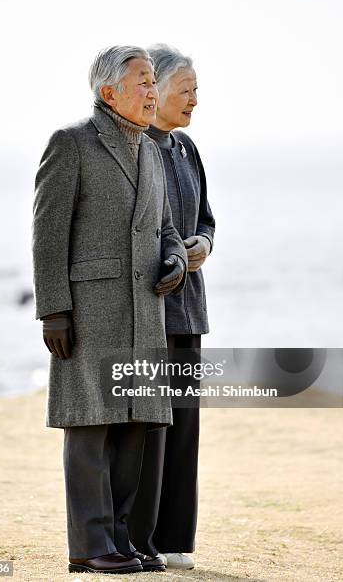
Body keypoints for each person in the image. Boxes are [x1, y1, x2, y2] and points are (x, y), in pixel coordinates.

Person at [31, 45, 188, 575]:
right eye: (143, 82)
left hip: (146, 309)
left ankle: (121, 542)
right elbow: (48, 234)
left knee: (132, 433)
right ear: (109, 93)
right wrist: (54, 310)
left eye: (152, 81)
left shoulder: (151, 149)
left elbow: (165, 229)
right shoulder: (71, 143)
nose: (152, 91)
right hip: (90, 312)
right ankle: (88, 546)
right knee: (91, 430)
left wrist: (175, 260)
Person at [128, 44, 215, 570]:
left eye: (196, 92)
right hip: (149, 308)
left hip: (190, 309)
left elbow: (206, 218)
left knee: (184, 428)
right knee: (148, 431)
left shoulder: (186, 149)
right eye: (186, 91)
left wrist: (203, 243)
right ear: (154, 89)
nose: (194, 101)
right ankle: (140, 540)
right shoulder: (137, 150)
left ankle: (176, 540)